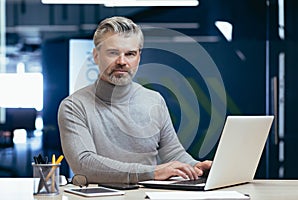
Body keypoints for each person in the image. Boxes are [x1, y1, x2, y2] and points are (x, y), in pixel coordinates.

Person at [58, 16, 211, 184]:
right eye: (113, 53)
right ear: (95, 56)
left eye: (130, 54)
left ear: (138, 57)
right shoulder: (74, 106)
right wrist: (152, 172)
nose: (122, 61)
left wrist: (196, 166)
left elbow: (173, 153)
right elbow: (84, 164)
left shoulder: (154, 100)